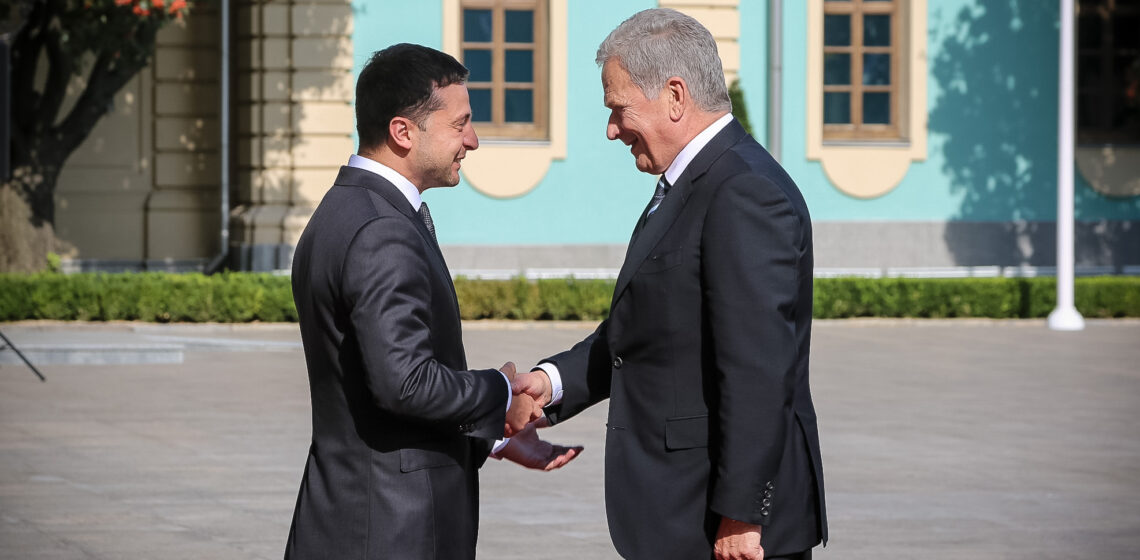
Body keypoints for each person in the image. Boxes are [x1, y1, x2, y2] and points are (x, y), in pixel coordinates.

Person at [513, 9, 827, 560]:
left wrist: (741, 514)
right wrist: (553, 382)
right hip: (682, 512)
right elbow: (646, 330)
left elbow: (757, 367)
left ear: (675, 96)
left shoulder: (743, 192)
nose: (612, 129)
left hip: (721, 526)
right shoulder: (691, 185)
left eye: (619, 109)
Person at [285, 43, 579, 560]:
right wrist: (499, 394)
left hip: (354, 516)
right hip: (393, 528)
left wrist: (496, 438)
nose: (473, 140)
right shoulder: (380, 229)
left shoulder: (345, 209)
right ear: (403, 132)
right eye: (459, 123)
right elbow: (405, 381)